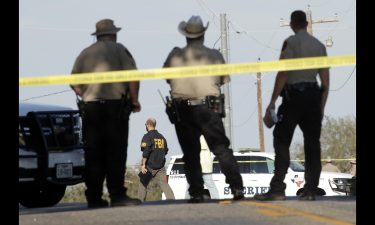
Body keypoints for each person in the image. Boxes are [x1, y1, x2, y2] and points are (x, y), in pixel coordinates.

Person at [163, 15, 244, 203]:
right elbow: (223, 81)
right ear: (203, 35)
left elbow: (167, 78)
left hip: (183, 109)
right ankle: (236, 187)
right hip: (209, 108)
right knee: (221, 149)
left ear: (185, 36)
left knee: (191, 154)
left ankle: (197, 192)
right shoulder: (214, 55)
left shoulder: (175, 55)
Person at [254, 10, 330, 201]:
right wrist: (321, 107)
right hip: (313, 97)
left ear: (292, 24)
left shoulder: (290, 42)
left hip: (293, 97)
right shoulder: (319, 46)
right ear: (306, 23)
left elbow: (283, 73)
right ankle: (311, 189)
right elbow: (325, 82)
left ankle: (278, 188)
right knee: (313, 145)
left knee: (281, 139)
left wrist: (272, 101)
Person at [70, 19, 142, 208]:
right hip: (114, 108)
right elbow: (133, 76)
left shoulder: (85, 53)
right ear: (114, 34)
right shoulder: (120, 50)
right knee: (115, 152)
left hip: (91, 109)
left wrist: (84, 94)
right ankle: (117, 195)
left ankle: (94, 198)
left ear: (98, 36)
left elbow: (74, 82)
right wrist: (134, 100)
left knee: (93, 154)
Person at [138, 118, 175, 201]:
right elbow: (165, 151)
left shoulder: (147, 136)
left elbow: (145, 151)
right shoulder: (162, 137)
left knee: (142, 183)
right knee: (165, 185)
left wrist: (143, 165)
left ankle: (140, 203)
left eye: (145, 125)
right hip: (161, 166)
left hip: (149, 166)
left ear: (147, 125)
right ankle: (172, 200)